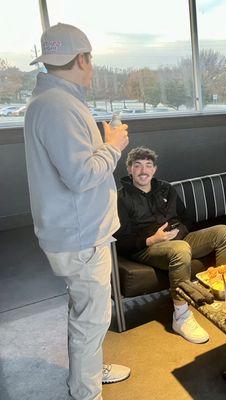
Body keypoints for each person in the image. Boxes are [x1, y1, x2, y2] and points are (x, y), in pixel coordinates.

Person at [23, 23, 131, 400]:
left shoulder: (52, 100)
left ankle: (87, 372)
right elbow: (81, 175)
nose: (92, 66)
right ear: (82, 58)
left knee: (83, 312)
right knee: (91, 319)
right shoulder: (59, 106)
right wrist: (114, 146)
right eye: (91, 59)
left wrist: (100, 144)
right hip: (81, 236)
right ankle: (86, 392)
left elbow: (73, 164)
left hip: (74, 231)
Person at [115, 147, 226, 344]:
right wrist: (153, 239)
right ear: (129, 169)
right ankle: (180, 316)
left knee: (223, 232)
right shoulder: (120, 198)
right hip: (146, 247)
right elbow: (121, 240)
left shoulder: (165, 188)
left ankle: (225, 294)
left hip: (178, 239)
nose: (143, 170)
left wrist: (178, 233)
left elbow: (186, 218)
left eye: (148, 165)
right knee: (180, 249)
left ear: (154, 169)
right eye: (137, 166)